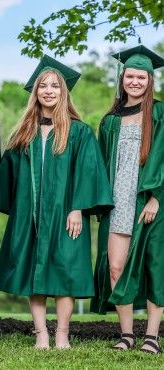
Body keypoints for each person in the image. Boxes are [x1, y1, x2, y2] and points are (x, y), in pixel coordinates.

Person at [0, 55, 113, 350]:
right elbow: (5, 172)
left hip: (65, 214)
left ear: (63, 92)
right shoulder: (24, 134)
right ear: (36, 93)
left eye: (54, 86)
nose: (48, 90)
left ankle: (62, 333)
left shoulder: (79, 131)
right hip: (32, 216)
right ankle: (41, 333)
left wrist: (77, 208)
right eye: (43, 86)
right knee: (35, 273)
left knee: (65, 272)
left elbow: (88, 171)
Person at [91, 45, 164, 354]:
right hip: (118, 203)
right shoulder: (110, 120)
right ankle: (126, 334)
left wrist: (156, 198)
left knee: (153, 267)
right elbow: (102, 164)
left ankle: (151, 336)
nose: (135, 82)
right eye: (130, 77)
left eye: (141, 77)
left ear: (150, 81)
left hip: (150, 203)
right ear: (122, 79)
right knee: (116, 267)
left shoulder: (159, 112)